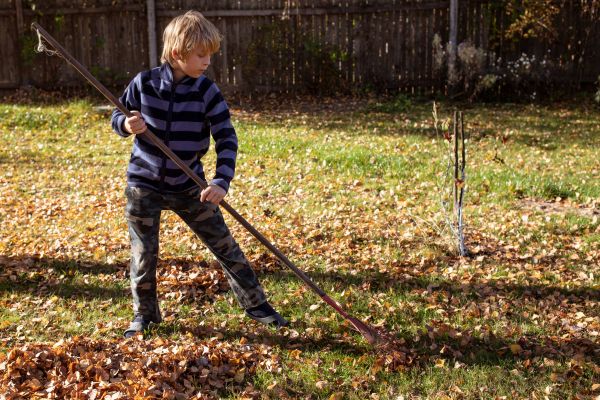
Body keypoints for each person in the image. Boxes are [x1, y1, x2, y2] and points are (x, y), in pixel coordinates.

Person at [111, 10, 288, 338]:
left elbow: (226, 137)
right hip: (144, 184)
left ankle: (257, 305)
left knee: (224, 244)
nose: (208, 61)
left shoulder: (207, 92)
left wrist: (221, 180)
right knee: (143, 253)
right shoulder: (144, 83)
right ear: (178, 53)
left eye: (210, 54)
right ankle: (145, 315)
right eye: (201, 54)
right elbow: (116, 114)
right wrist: (125, 123)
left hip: (190, 183)